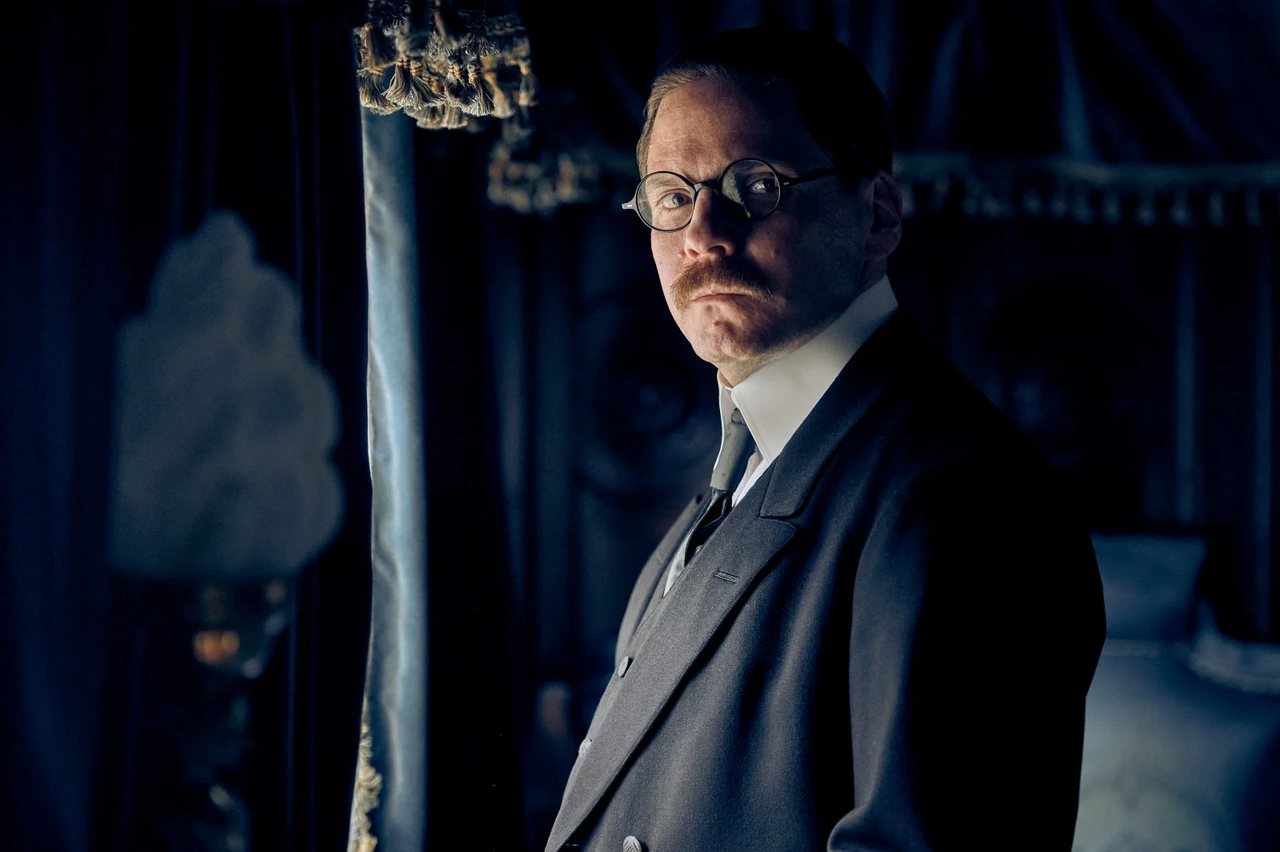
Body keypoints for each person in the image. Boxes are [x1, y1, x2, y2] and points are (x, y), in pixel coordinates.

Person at [546, 27, 1105, 852]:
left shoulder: (959, 495)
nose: (703, 233)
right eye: (671, 195)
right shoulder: (743, 469)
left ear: (876, 215)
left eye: (756, 185)